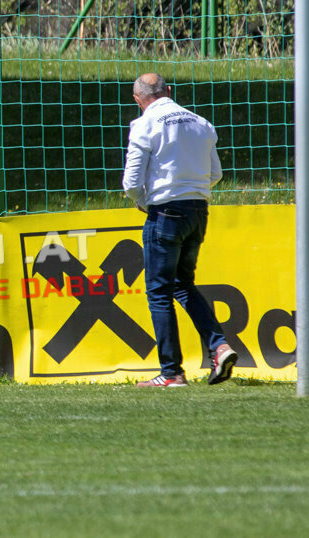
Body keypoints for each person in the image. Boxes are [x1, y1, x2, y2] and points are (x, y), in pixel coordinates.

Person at [121, 73, 238, 388]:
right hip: (198, 211)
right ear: (168, 91)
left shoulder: (144, 125)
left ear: (138, 99)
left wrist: (144, 202)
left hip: (165, 212)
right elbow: (216, 173)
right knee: (183, 284)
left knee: (159, 291)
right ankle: (219, 346)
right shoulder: (200, 122)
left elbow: (131, 183)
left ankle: (172, 372)